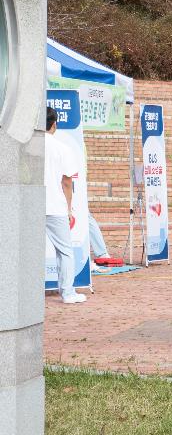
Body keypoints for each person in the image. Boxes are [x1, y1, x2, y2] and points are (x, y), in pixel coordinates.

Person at [44, 106, 85, 304]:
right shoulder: (62, 149)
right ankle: (67, 293)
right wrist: (69, 208)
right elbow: (67, 182)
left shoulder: (27, 145)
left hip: (29, 204)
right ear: (54, 124)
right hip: (54, 206)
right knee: (65, 251)